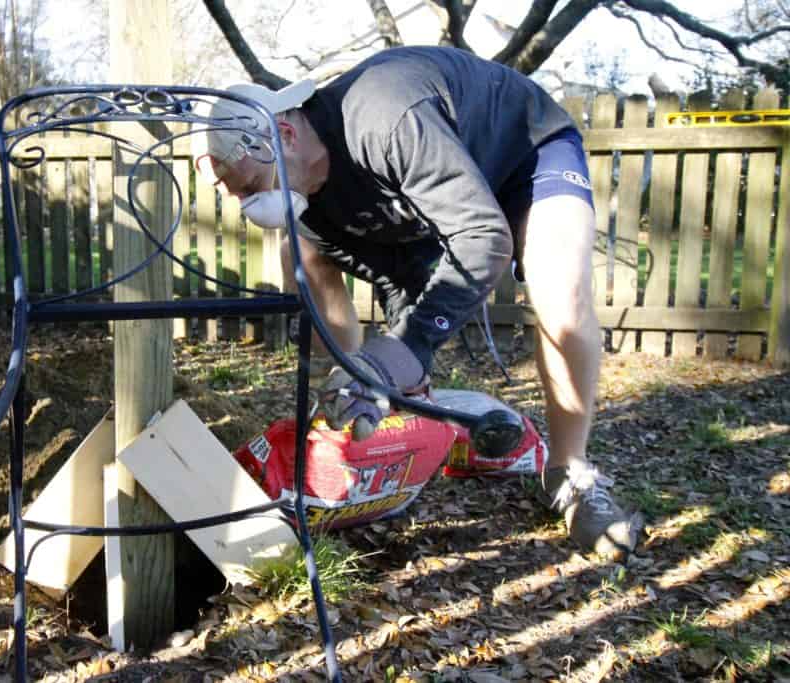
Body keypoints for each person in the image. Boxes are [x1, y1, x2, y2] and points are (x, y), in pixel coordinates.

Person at [194, 46, 641, 559]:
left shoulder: (386, 119)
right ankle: (362, 414)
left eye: (250, 186)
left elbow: (481, 237)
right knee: (308, 260)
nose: (250, 205)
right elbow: (393, 281)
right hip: (442, 189)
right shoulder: (309, 207)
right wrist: (363, 382)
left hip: (523, 148)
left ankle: (571, 475)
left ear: (286, 134)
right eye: (239, 197)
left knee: (560, 292)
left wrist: (402, 354)